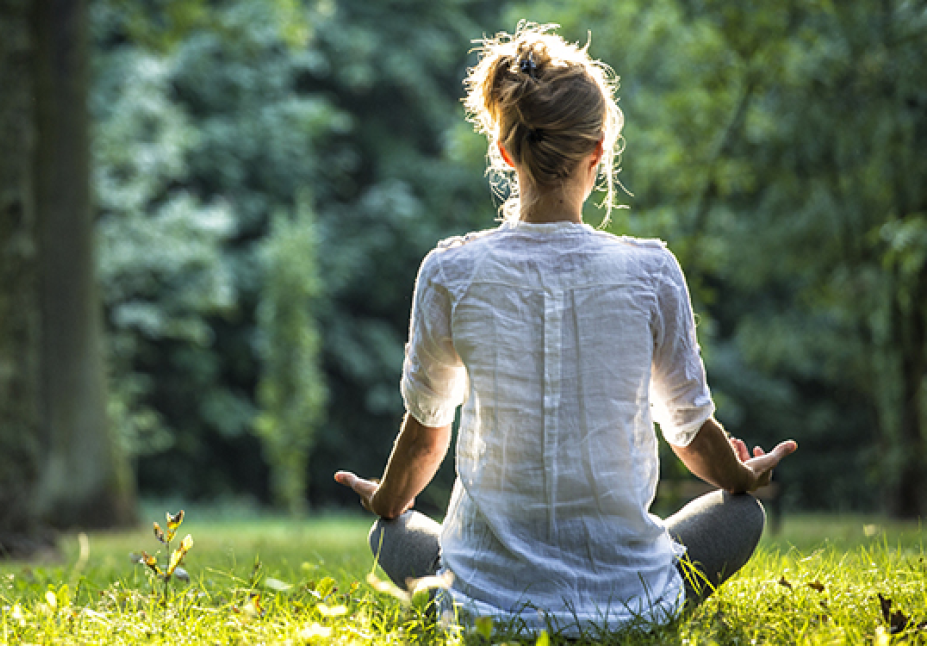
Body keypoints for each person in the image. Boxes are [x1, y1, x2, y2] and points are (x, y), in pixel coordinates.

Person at [334, 22, 797, 638]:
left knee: (388, 532)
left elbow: (426, 436)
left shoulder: (449, 271)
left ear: (505, 151)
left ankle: (472, 590)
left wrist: (387, 500)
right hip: (631, 603)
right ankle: (631, 606)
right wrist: (742, 476)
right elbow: (689, 433)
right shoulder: (651, 271)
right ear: (598, 151)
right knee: (742, 518)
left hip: (483, 613)